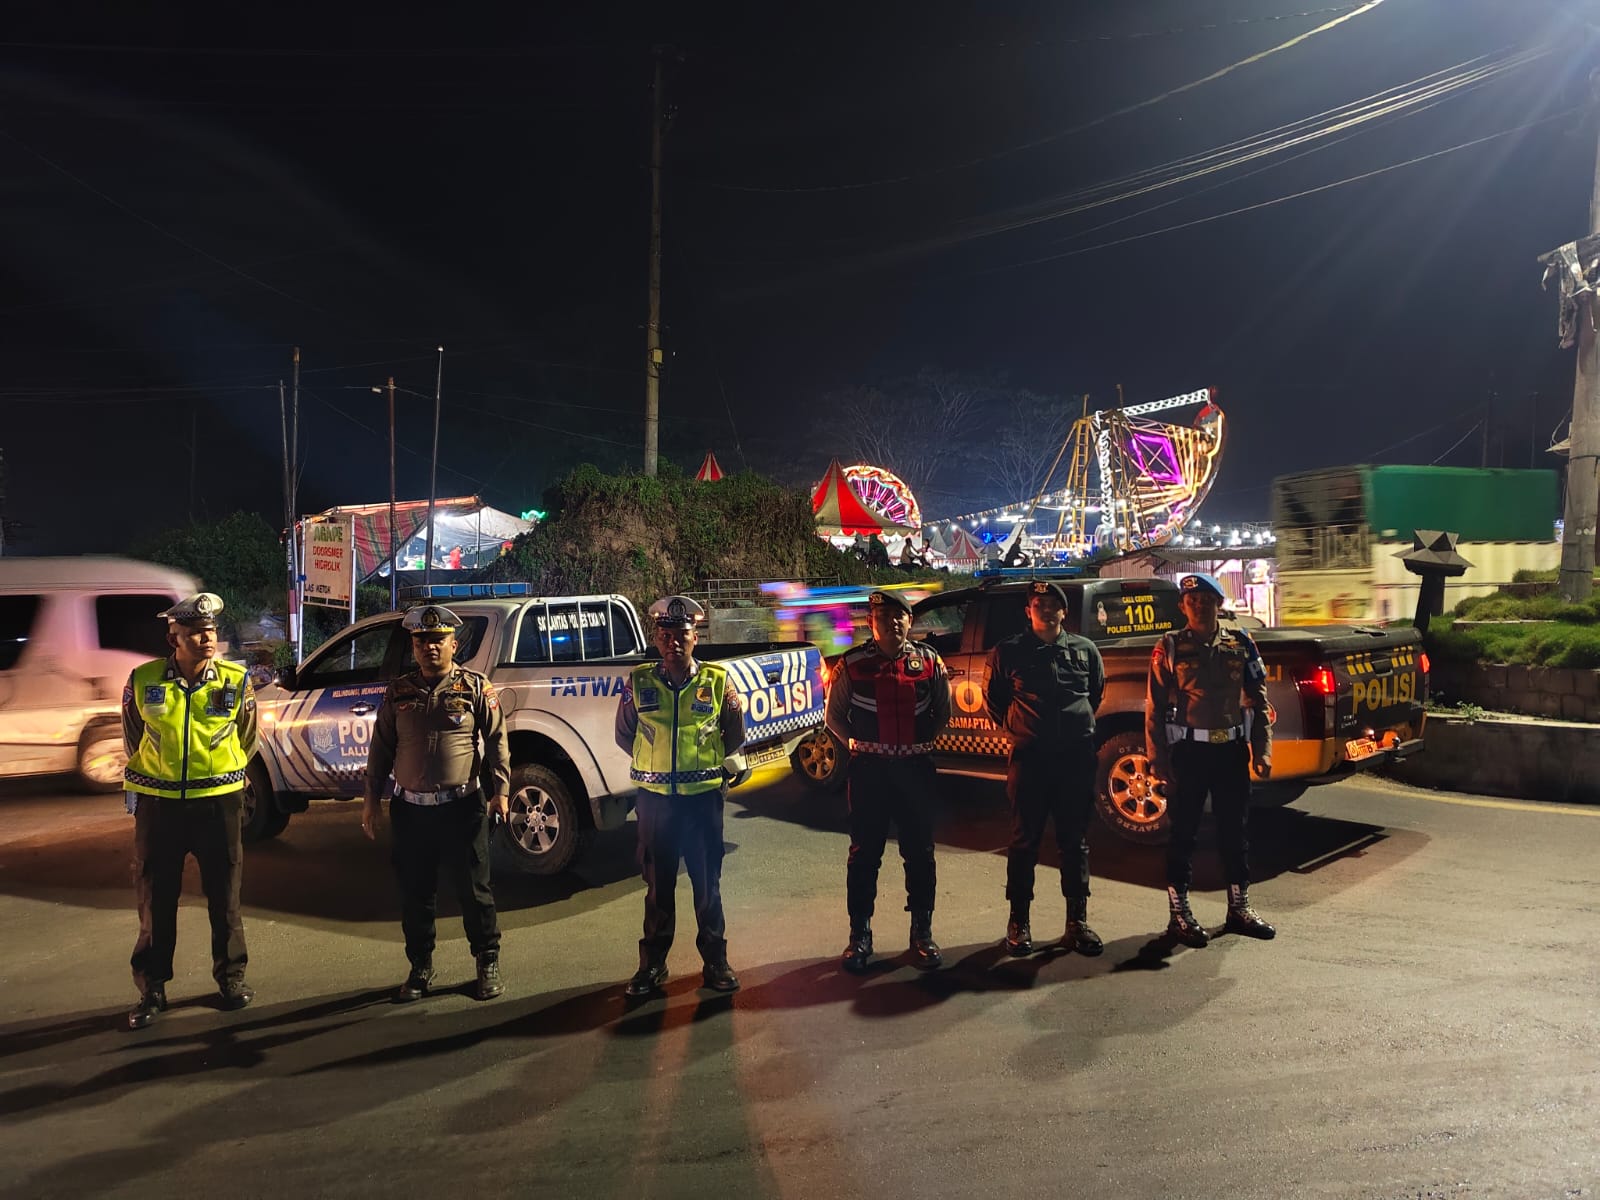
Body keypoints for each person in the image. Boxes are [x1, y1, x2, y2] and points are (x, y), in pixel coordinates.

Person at [362, 604, 511, 1002]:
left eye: (438, 640)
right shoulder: (399, 691)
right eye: (422, 641)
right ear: (414, 647)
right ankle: (420, 967)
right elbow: (381, 748)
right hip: (411, 811)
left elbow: (497, 740)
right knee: (415, 894)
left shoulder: (475, 687)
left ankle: (487, 960)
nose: (430, 647)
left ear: (453, 645)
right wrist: (371, 800)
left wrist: (501, 791)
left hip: (463, 807)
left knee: (474, 891)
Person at [122, 592, 257, 1030]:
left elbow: (247, 737)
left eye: (210, 630)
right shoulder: (142, 679)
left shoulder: (236, 679)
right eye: (196, 632)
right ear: (173, 639)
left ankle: (231, 980)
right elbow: (133, 736)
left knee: (226, 898)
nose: (207, 638)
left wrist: (222, 775)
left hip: (219, 803)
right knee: (156, 901)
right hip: (159, 806)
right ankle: (153, 989)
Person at [613, 595, 746, 997]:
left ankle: (716, 962)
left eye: (681, 635)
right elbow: (624, 734)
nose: (673, 642)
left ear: (695, 638)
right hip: (655, 803)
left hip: (702, 801)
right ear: (656, 639)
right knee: (658, 888)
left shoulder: (717, 681)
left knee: (708, 886)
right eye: (665, 635)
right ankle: (652, 965)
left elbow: (734, 734)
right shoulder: (639, 682)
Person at [1145, 573, 1277, 947]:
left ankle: (1239, 908)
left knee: (1235, 831)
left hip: (1231, 751)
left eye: (1206, 599)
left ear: (1219, 603)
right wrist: (1157, 759)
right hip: (1189, 753)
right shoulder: (1170, 646)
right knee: (1183, 834)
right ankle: (1179, 914)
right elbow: (1155, 707)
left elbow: (1258, 699)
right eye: (1192, 600)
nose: (1199, 606)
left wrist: (1262, 749)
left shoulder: (1241, 643)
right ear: (1182, 606)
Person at [825, 589, 952, 973]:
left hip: (915, 770)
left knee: (920, 853)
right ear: (871, 623)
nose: (892, 623)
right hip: (870, 772)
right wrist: (858, 744)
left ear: (909, 622)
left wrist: (921, 742)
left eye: (899, 617)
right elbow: (834, 716)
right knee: (864, 855)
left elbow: (942, 711)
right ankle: (859, 936)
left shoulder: (928, 661)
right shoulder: (852, 664)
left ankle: (922, 933)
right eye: (883, 617)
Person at [984, 580, 1107, 958]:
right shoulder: (1008, 651)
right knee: (1024, 841)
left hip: (1076, 759)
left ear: (1064, 611)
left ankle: (1077, 922)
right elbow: (995, 701)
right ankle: (1018, 922)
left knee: (1074, 841)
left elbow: (1095, 694)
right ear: (1029, 611)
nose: (1047, 609)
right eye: (1040, 604)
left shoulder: (1085, 650)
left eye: (1054, 604)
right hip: (1031, 759)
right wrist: (1023, 730)